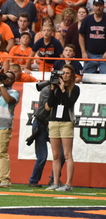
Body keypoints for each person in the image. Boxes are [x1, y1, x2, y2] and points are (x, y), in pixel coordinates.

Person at [45, 64, 80, 192]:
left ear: (72, 76)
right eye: (63, 73)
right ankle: (55, 182)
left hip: (66, 122)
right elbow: (50, 104)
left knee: (67, 154)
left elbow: (69, 103)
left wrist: (64, 89)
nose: (64, 75)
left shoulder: (74, 89)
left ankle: (69, 184)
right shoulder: (56, 88)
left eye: (67, 73)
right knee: (55, 154)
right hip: (54, 121)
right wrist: (52, 89)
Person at [79, 0, 106, 74]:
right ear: (93, 7)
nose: (98, 8)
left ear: (103, 7)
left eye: (100, 6)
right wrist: (83, 52)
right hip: (90, 55)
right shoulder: (87, 19)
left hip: (104, 56)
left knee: (104, 80)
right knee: (86, 78)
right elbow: (81, 35)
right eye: (96, 6)